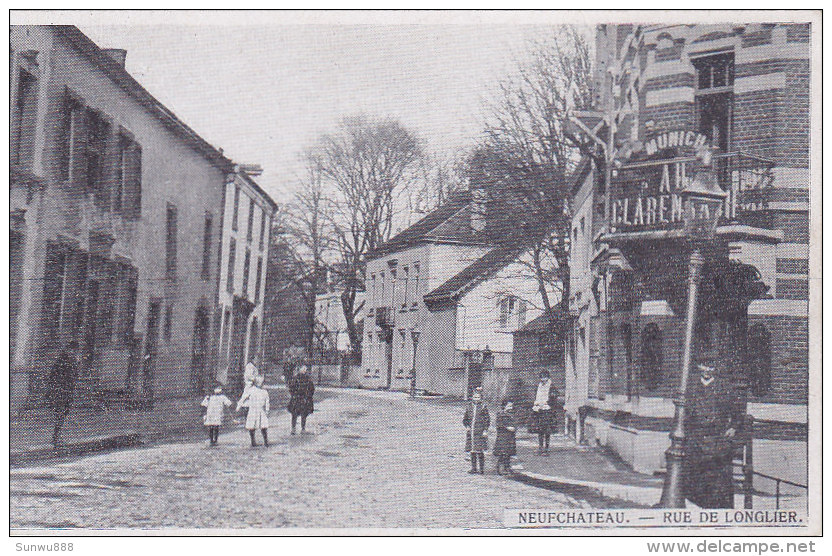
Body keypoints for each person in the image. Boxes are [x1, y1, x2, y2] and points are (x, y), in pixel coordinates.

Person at [684, 362, 743, 508]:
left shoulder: (724, 387)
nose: (707, 371)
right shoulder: (691, 387)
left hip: (717, 436)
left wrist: (733, 427)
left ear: (715, 369)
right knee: (696, 471)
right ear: (699, 367)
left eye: (711, 367)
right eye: (704, 366)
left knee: (718, 474)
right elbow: (684, 412)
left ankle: (717, 506)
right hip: (696, 436)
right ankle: (697, 502)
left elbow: (737, 411)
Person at [46, 340, 79, 448]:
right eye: (73, 351)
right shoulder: (62, 361)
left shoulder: (72, 361)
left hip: (67, 391)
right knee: (60, 414)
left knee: (63, 414)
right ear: (69, 350)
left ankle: (57, 436)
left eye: (75, 351)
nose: (74, 353)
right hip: (60, 391)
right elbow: (54, 376)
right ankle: (56, 437)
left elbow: (74, 377)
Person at [529, 371, 558, 456]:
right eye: (541, 378)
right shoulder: (539, 386)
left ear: (548, 378)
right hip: (539, 410)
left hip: (547, 410)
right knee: (539, 429)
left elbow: (554, 398)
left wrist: (547, 403)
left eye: (544, 378)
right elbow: (536, 396)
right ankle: (540, 447)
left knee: (547, 430)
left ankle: (547, 448)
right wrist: (536, 403)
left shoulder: (551, 386)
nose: (543, 379)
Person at [237, 375, 270, 447]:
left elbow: (267, 401)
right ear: (255, 382)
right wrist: (239, 406)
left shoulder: (264, 391)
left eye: (261, 382)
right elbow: (243, 398)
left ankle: (266, 441)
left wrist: (267, 410)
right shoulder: (251, 390)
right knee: (251, 426)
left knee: (263, 426)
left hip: (261, 410)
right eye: (258, 382)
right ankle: (253, 441)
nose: (260, 384)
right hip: (253, 410)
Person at [463, 387, 490, 474]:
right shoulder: (469, 406)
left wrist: (485, 430)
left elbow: (487, 419)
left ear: (481, 398)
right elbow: (465, 418)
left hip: (480, 431)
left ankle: (481, 469)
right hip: (471, 432)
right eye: (475, 397)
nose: (476, 399)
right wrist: (467, 426)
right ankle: (474, 468)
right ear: (472, 397)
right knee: (472, 451)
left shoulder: (483, 407)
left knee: (480, 450)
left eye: (478, 397)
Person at [287, 366, 315, 435]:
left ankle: (302, 428)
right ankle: (294, 429)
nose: (305, 370)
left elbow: (312, 389)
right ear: (299, 369)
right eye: (304, 369)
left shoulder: (307, 379)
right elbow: (291, 388)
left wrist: (308, 396)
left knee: (303, 414)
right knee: (295, 414)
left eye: (306, 369)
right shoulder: (296, 378)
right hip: (299, 398)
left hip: (302, 398)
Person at [493, 398, 517, 475]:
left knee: (509, 452)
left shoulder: (512, 414)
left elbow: (515, 423)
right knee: (503, 452)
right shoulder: (500, 414)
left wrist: (514, 428)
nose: (510, 408)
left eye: (511, 406)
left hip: (510, 436)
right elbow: (499, 424)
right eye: (509, 406)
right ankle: (499, 467)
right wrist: (507, 427)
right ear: (504, 406)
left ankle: (507, 467)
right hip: (503, 436)